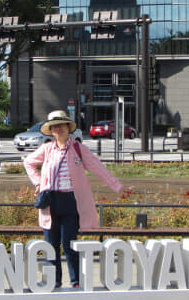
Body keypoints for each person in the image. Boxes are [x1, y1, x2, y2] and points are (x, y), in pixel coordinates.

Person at [23, 110, 124, 289]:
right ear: (51, 130)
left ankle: (76, 281)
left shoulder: (78, 149)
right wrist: (38, 182)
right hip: (50, 202)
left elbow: (98, 167)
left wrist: (117, 187)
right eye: (54, 126)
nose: (58, 129)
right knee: (51, 245)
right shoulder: (46, 149)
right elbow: (28, 162)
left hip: (71, 202)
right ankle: (53, 282)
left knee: (70, 245)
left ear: (68, 127)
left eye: (61, 125)